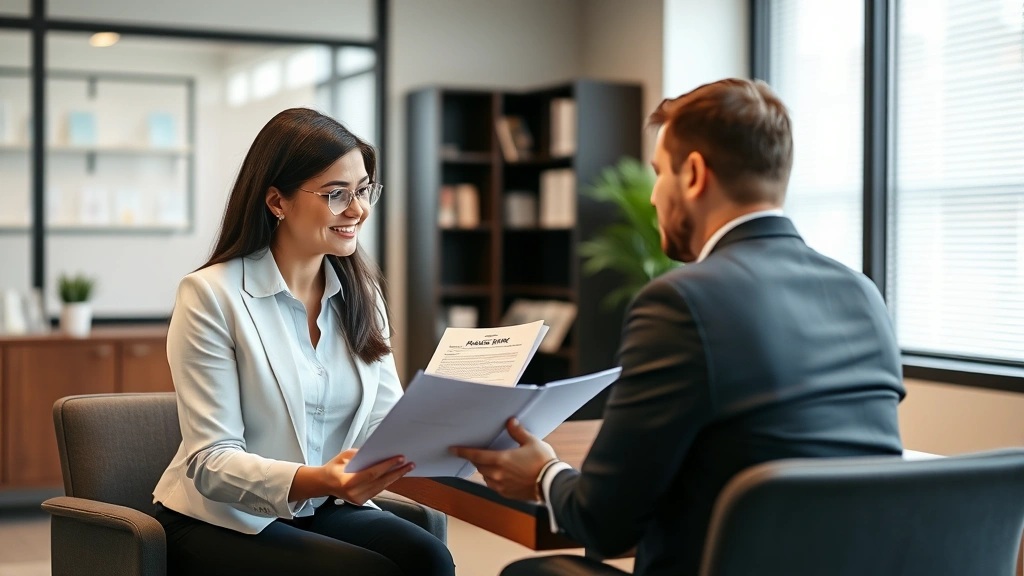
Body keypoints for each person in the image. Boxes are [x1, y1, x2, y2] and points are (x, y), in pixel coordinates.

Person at [454, 79, 906, 576]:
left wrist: (544, 474)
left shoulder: (683, 301)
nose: (651, 198)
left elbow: (606, 522)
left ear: (692, 174)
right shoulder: (862, 293)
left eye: (658, 173)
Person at [153, 108, 455, 576]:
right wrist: (319, 479)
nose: (358, 211)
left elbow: (385, 422)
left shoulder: (362, 294)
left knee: (429, 557)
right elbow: (211, 463)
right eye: (337, 195)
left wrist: (459, 425)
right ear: (277, 201)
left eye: (362, 190)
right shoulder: (209, 295)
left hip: (318, 507)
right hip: (222, 518)